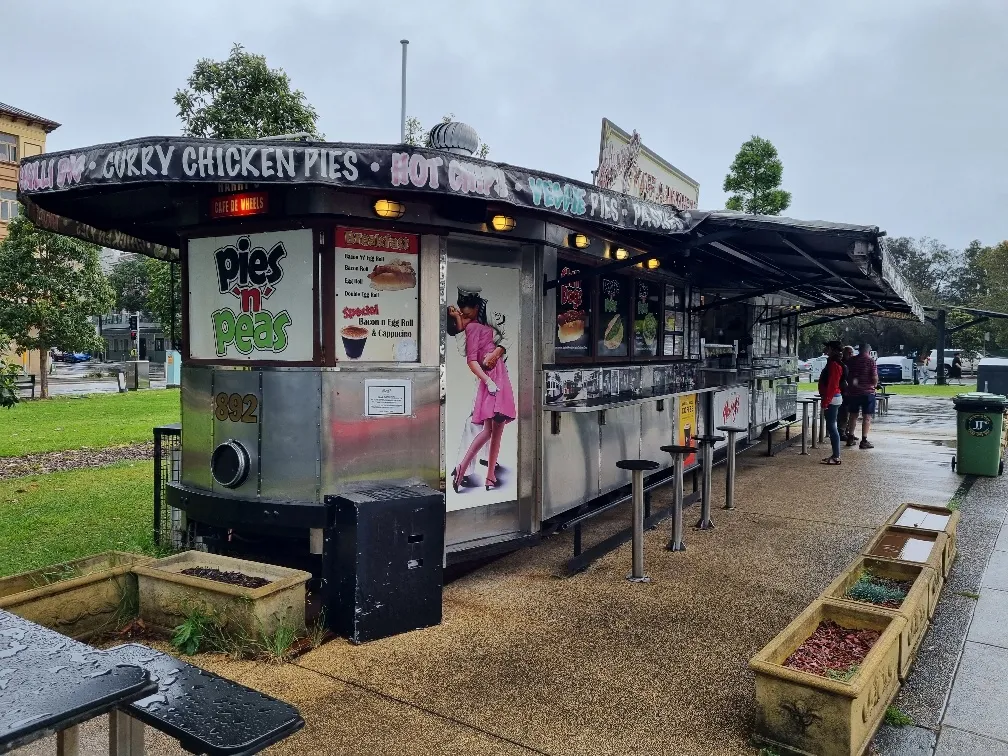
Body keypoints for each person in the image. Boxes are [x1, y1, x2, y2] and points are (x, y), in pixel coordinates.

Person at [448, 290, 516, 492]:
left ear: (477, 308)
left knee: (491, 428)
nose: (463, 316)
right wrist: (488, 379)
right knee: (486, 427)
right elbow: (470, 358)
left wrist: (495, 354)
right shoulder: (475, 329)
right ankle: (469, 469)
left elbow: (509, 334)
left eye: (466, 314)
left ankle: (485, 473)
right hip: (493, 377)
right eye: (460, 314)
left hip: (496, 374)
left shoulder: (481, 324)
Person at [845, 341, 879, 449]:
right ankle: (864, 440)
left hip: (853, 392)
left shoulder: (851, 361)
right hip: (867, 393)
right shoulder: (870, 361)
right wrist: (875, 384)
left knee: (853, 415)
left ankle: (850, 437)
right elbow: (874, 378)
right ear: (868, 350)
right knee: (867, 417)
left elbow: (847, 376)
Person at [818, 341, 845, 465]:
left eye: (826, 348)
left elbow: (832, 385)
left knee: (832, 427)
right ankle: (835, 455)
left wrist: (826, 401)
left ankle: (836, 456)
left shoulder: (834, 364)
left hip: (832, 398)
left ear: (832, 349)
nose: (824, 351)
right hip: (833, 397)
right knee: (831, 426)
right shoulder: (833, 363)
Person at [839, 345, 855, 442]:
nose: (850, 355)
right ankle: (842, 432)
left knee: (850, 413)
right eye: (848, 352)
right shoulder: (842, 364)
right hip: (843, 391)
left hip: (850, 391)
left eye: (851, 352)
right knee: (843, 413)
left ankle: (848, 432)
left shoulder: (851, 363)